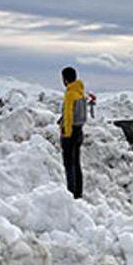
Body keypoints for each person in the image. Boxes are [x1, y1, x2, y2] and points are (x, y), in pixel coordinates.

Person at [58, 66, 87, 198]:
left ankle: (71, 193)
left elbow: (69, 114)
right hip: (79, 130)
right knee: (76, 163)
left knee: (68, 163)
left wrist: (66, 132)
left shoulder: (70, 94)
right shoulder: (80, 93)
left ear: (65, 79)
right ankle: (78, 192)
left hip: (70, 132)